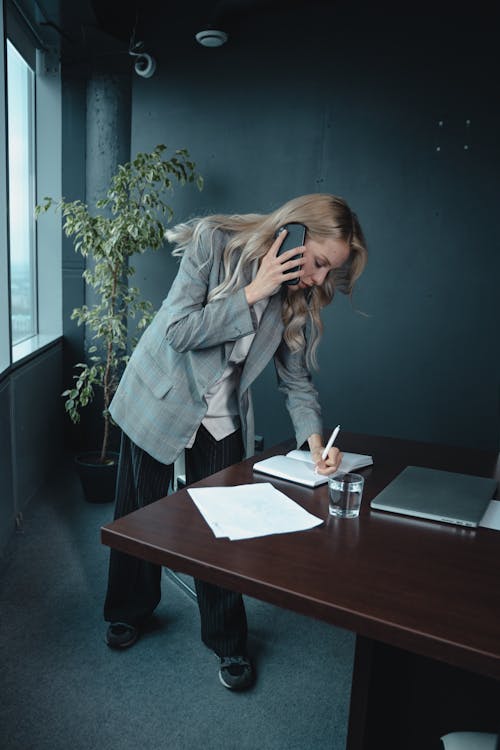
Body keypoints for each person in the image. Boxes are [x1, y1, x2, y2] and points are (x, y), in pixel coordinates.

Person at [103, 193, 368, 691]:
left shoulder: (297, 295)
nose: (315, 278)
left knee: (224, 532)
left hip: (222, 416)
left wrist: (314, 443)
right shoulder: (215, 243)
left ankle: (227, 640)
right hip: (160, 394)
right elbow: (179, 331)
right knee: (137, 512)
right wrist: (250, 293)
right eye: (316, 262)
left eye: (326, 271)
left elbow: (296, 382)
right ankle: (128, 610)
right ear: (292, 233)